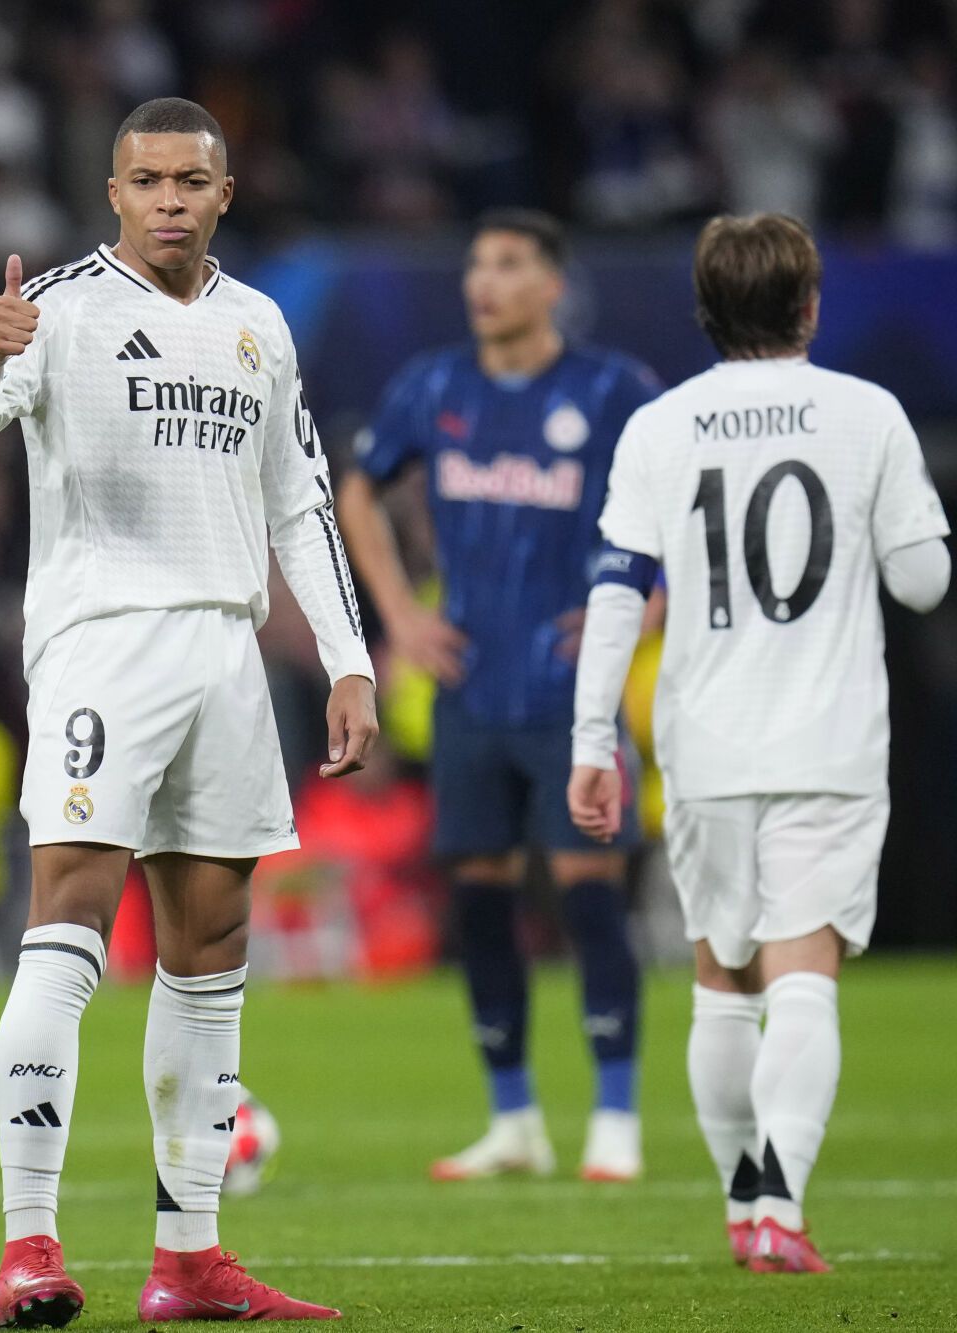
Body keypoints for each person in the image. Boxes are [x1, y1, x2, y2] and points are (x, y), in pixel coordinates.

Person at [0, 96, 376, 1327]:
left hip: (226, 656)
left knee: (210, 948)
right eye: (146, 180)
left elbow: (302, 504)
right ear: (112, 194)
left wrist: (347, 659)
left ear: (224, 193)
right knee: (66, 919)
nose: (168, 198)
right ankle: (28, 1245)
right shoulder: (58, 310)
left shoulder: (257, 325)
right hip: (101, 649)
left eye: (190, 179)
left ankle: (189, 1258)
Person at [570, 212, 950, 1273]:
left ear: (703, 310)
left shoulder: (660, 425)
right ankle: (779, 1202)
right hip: (826, 740)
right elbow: (922, 578)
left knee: (719, 976)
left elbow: (613, 593)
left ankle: (743, 1209)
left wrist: (590, 736)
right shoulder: (865, 414)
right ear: (808, 306)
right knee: (802, 974)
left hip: (703, 740)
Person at [334, 210, 662, 1183]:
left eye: (508, 265)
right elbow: (359, 489)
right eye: (477, 264)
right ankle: (511, 1117)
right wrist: (396, 613)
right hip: (469, 688)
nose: (484, 281)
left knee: (585, 896)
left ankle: (614, 1114)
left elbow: (681, 507)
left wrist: (643, 612)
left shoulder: (611, 390)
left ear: (550, 284)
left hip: (571, 692)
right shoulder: (432, 386)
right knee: (477, 902)